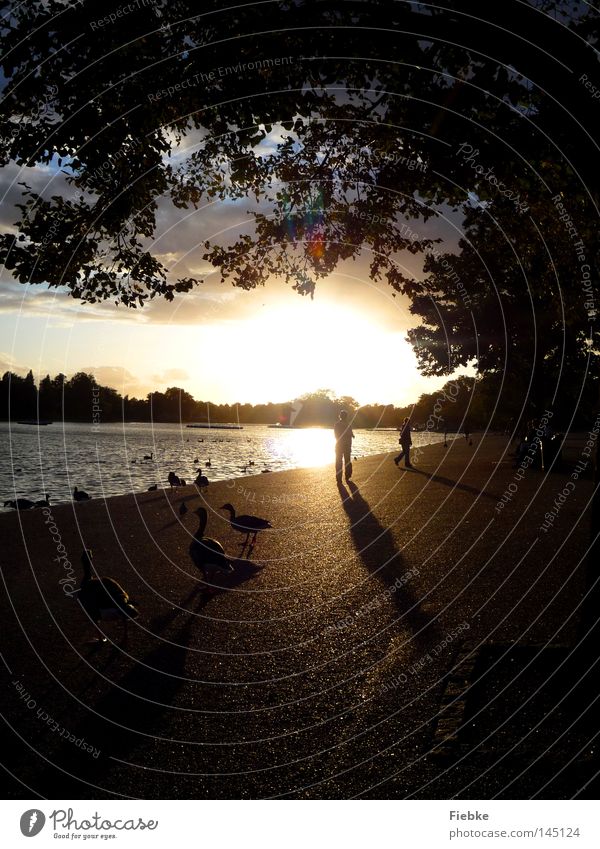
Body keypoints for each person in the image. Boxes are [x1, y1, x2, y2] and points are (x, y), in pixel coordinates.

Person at [334, 410, 354, 482]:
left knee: (338, 461)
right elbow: (351, 435)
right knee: (347, 461)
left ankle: (338, 478)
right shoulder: (348, 425)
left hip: (339, 445)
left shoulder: (337, 425)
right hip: (347, 445)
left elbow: (336, 435)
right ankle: (347, 476)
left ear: (340, 416)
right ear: (346, 417)